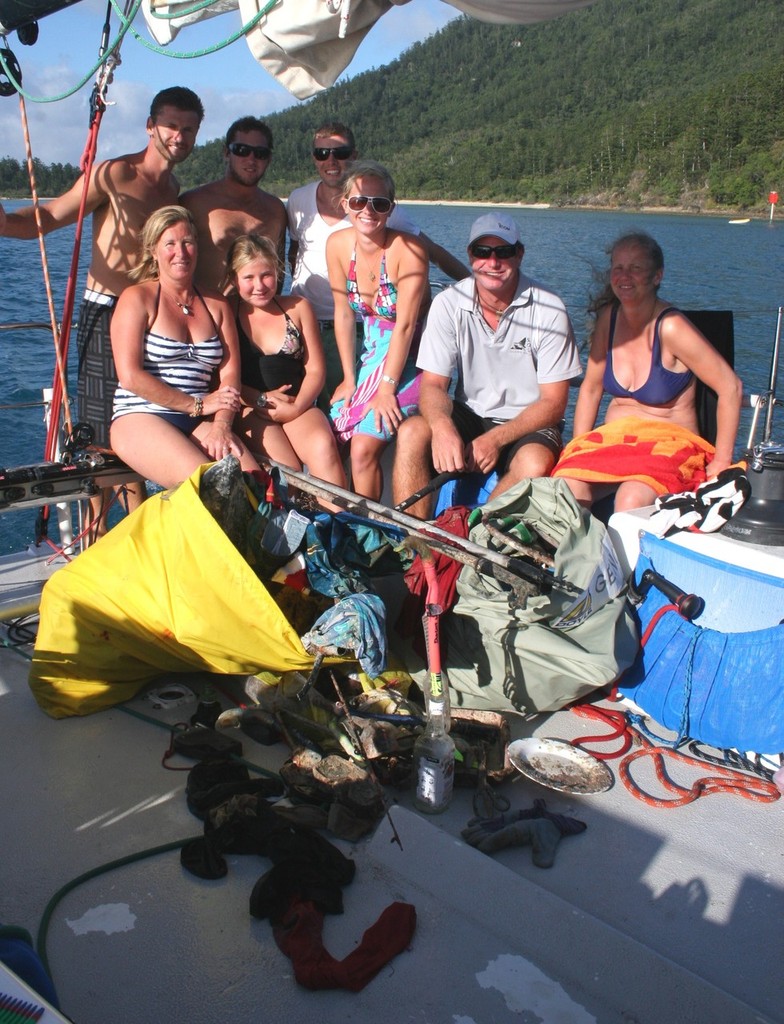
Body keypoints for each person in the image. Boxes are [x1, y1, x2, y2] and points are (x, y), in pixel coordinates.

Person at [0, 86, 204, 527]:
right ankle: (96, 538)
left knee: (145, 427)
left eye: (188, 129)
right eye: (171, 125)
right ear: (150, 126)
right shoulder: (113, 174)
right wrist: (4, 223)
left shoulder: (173, 188)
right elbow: (51, 217)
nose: (179, 136)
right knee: (101, 442)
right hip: (107, 312)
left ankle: (139, 537)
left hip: (153, 320)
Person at [391, 212, 582, 519]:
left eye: (503, 252)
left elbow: (554, 403)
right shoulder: (448, 303)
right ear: (470, 255)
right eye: (483, 252)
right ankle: (414, 545)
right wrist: (442, 427)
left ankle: (477, 538)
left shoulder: (549, 308)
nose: (493, 263)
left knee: (533, 463)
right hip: (471, 413)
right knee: (413, 432)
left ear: (519, 254)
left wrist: (495, 439)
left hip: (529, 422)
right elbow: (434, 385)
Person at [552, 231, 743, 512]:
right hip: (614, 441)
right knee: (566, 488)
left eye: (636, 268)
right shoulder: (609, 319)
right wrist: (579, 444)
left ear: (657, 276)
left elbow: (731, 388)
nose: (624, 276)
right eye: (618, 268)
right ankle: (579, 556)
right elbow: (591, 388)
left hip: (669, 445)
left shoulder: (672, 327)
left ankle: (623, 557)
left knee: (631, 496)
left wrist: (722, 461)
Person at [287, 121, 469, 405]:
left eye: (340, 152)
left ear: (354, 155)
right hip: (314, 324)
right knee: (328, 405)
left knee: (355, 405)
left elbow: (432, 251)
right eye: (322, 154)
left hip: (369, 326)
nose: (331, 160)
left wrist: (474, 284)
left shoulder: (382, 212)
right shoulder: (298, 200)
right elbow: (294, 250)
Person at [110, 206, 259, 489]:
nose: (181, 252)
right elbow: (130, 376)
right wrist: (198, 405)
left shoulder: (217, 306)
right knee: (211, 488)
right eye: (170, 244)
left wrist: (221, 426)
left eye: (188, 242)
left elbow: (230, 379)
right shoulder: (136, 298)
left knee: (255, 488)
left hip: (200, 421)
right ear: (154, 251)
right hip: (141, 416)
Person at [326, 160, 429, 500]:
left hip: (411, 364)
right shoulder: (338, 246)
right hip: (371, 358)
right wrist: (348, 377)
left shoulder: (408, 252)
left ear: (390, 209)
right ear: (345, 204)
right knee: (334, 435)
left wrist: (386, 389)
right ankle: (338, 520)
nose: (367, 210)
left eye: (378, 203)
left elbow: (407, 325)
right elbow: (343, 313)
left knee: (362, 448)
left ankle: (369, 530)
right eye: (358, 202)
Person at [225, 233, 346, 489]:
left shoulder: (297, 307)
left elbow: (314, 369)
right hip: (249, 405)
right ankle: (295, 524)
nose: (259, 285)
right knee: (286, 470)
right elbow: (221, 377)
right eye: (249, 277)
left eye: (266, 275)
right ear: (234, 279)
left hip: (296, 404)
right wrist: (259, 398)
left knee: (323, 446)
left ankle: (342, 522)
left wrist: (297, 406)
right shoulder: (226, 312)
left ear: (278, 272)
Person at [180, 117, 287, 292]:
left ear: (269, 159)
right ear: (226, 153)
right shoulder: (194, 203)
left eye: (260, 153)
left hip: (258, 315)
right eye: (241, 150)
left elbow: (279, 272)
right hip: (210, 313)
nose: (251, 159)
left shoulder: (275, 209)